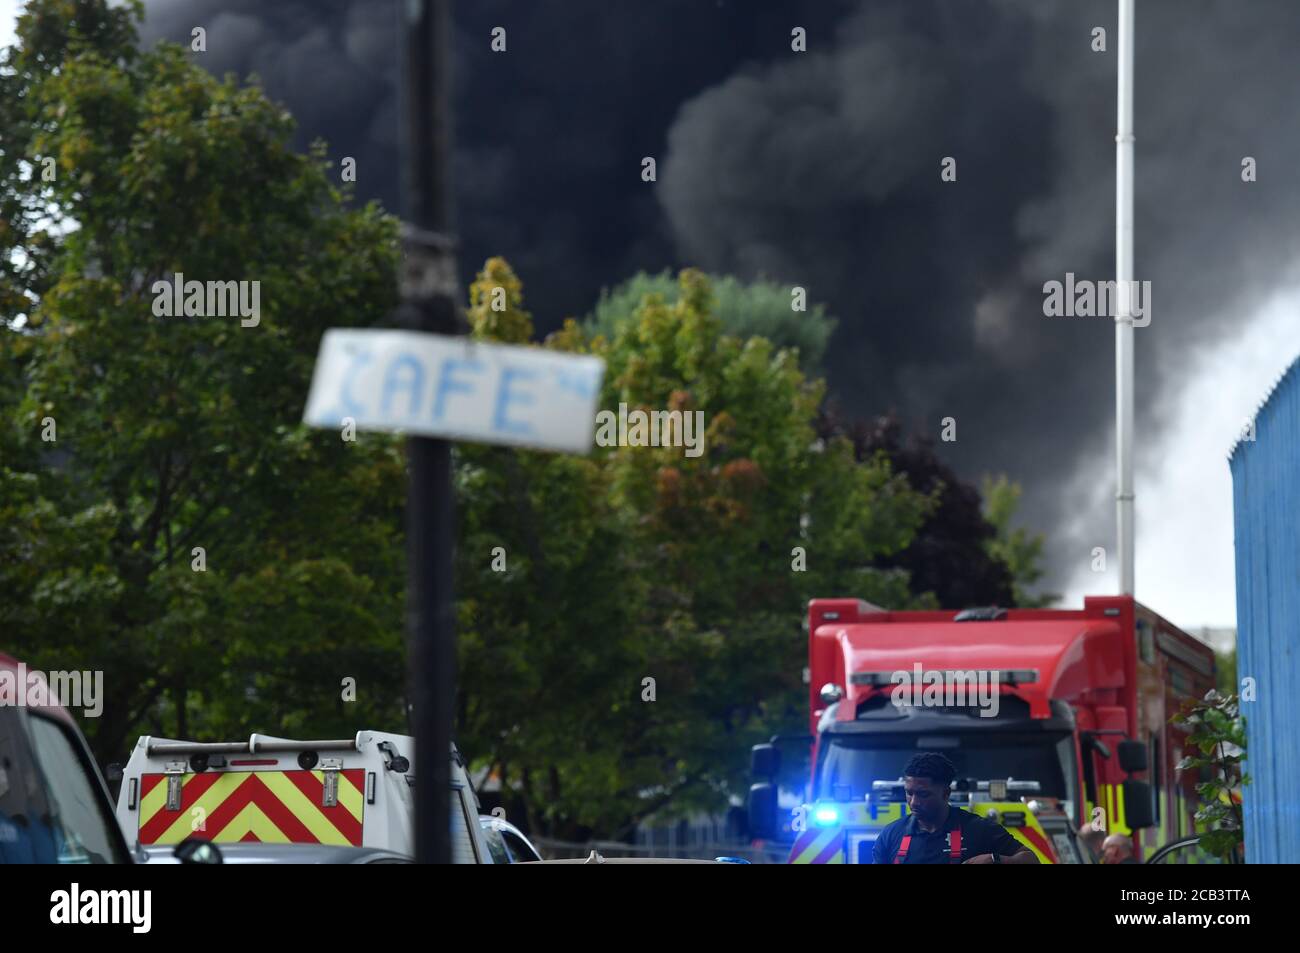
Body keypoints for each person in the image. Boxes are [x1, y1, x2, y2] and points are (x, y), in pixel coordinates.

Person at [871, 752, 1038, 864]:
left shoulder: (979, 830)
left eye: (923, 795)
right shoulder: (891, 835)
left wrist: (995, 859)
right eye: (909, 793)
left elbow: (1031, 859)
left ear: (945, 793)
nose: (914, 802)